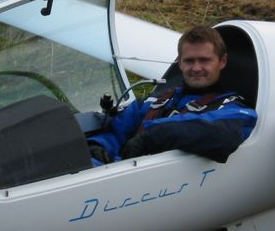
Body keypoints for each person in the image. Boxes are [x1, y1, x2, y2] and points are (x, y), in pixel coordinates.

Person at [87, 26, 257, 165]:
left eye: (204, 60)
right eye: (189, 61)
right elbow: (116, 130)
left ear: (222, 61)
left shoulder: (233, 110)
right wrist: (97, 146)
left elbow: (223, 135)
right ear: (180, 63)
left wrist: (153, 137)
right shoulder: (157, 101)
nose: (196, 68)